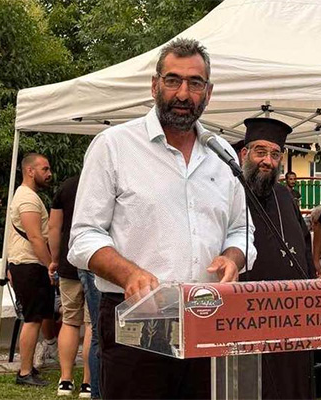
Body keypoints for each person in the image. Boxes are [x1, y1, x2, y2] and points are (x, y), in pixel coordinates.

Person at [68, 38, 256, 400]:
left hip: (208, 315)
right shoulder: (114, 145)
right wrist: (129, 274)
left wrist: (233, 258)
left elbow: (241, 230)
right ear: (155, 85)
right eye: (173, 80)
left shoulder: (222, 155)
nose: (183, 93)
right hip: (136, 319)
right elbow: (84, 236)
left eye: (195, 83)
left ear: (208, 93)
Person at [239, 117, 315, 399]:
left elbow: (304, 246)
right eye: (260, 152)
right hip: (247, 316)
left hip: (292, 315)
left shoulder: (285, 195)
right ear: (244, 154)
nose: (267, 161)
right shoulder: (229, 193)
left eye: (275, 154)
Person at [7, 153, 55, 386]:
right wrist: (50, 265)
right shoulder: (27, 198)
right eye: (44, 169)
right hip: (29, 265)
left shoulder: (27, 195)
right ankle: (25, 372)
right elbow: (35, 237)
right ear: (29, 171)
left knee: (35, 317)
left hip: (27, 264)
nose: (49, 174)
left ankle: (28, 368)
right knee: (32, 319)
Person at [49, 174, 95, 398]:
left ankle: (65, 380)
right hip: (97, 262)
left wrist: (54, 260)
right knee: (91, 324)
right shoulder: (105, 183)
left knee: (69, 321)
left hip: (69, 262)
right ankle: (88, 382)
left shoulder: (67, 186)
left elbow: (53, 228)